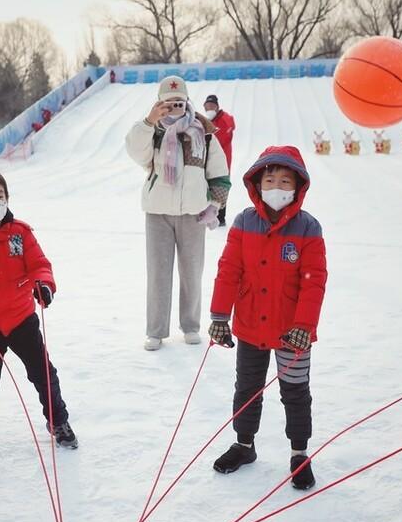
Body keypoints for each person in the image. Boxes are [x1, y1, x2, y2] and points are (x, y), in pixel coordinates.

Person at [208, 146, 327, 490]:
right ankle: (244, 445)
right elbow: (229, 270)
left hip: (293, 332)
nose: (276, 186)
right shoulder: (245, 221)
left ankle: (299, 452)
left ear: (297, 186)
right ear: (257, 184)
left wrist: (304, 326)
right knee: (247, 387)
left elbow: (314, 281)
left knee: (295, 391)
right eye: (269, 179)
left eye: (284, 180)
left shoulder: (308, 228)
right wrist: (219, 316)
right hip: (249, 325)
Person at [0, 168, 77, 455]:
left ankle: (59, 420)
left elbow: (38, 265)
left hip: (22, 319)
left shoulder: (19, 232)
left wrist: (44, 285)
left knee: (43, 373)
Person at [125, 75, 231, 351]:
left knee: (192, 271)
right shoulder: (153, 132)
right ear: (159, 103)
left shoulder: (204, 133)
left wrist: (215, 205)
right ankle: (156, 331)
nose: (175, 107)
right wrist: (149, 121)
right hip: (158, 213)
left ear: (187, 101)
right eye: (168, 103)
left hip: (193, 214)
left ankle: (191, 325)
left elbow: (219, 173)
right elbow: (135, 151)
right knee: (158, 273)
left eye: (180, 102)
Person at [203, 94, 236, 226]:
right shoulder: (210, 120)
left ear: (217, 106)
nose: (208, 109)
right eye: (206, 107)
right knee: (210, 185)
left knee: (221, 186)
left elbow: (219, 139)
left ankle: (220, 217)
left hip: (223, 161)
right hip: (210, 160)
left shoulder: (224, 119)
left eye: (211, 106)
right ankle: (210, 213)